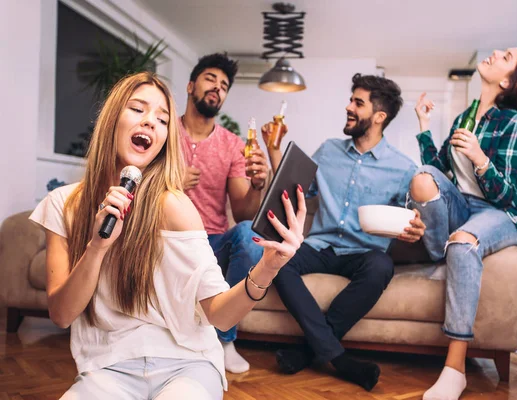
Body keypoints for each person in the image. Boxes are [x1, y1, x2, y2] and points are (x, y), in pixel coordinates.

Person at [30, 72, 305, 400]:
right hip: (108, 367)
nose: (150, 122)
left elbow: (219, 314)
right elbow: (61, 316)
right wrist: (96, 247)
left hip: (186, 363)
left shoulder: (175, 206)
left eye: (162, 119)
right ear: (111, 119)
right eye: (137, 109)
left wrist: (269, 267)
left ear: (163, 140)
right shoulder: (64, 205)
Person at [410, 48, 517, 400]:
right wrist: (424, 126)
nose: (494, 53)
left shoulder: (513, 123)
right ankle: (439, 253)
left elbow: (505, 194)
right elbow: (439, 172)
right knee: (422, 177)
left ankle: (454, 369)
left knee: (462, 243)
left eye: (505, 56)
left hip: (502, 212)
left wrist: (479, 158)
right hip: (463, 206)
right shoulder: (466, 116)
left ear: (507, 81)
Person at [263, 73, 426, 392]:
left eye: (358, 102)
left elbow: (410, 218)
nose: (348, 107)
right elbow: (292, 191)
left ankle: (308, 352)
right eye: (351, 100)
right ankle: (339, 359)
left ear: (379, 116)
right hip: (321, 245)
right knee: (279, 260)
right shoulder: (328, 151)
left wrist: (415, 227)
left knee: (382, 266)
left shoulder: (403, 168)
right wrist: (273, 149)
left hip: (363, 253)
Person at [179, 53, 270, 373]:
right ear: (191, 86)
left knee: (249, 234)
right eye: (210, 80)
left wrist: (258, 185)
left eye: (224, 85)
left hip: (213, 243)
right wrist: (171, 183)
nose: (217, 88)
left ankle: (223, 340)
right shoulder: (163, 134)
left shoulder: (233, 145)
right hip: (169, 241)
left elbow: (244, 211)